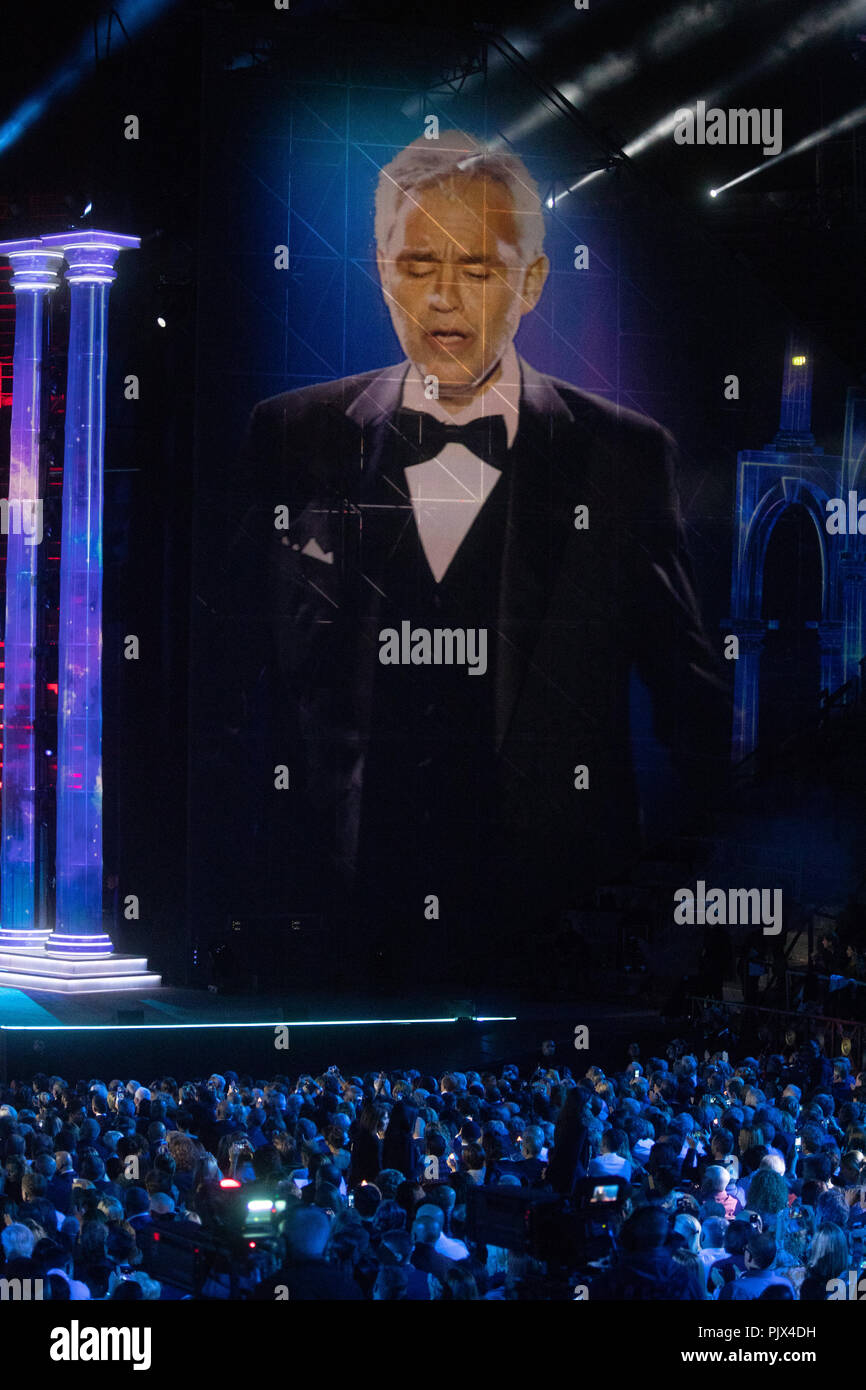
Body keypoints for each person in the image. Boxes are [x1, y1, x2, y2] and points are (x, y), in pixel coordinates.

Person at [228, 128, 729, 984]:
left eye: (479, 269)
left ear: (531, 282)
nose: (444, 299)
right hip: (337, 924)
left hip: (552, 939)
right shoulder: (290, 433)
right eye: (419, 266)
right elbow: (243, 679)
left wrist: (677, 920)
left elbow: (695, 706)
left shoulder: (624, 455)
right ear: (380, 270)